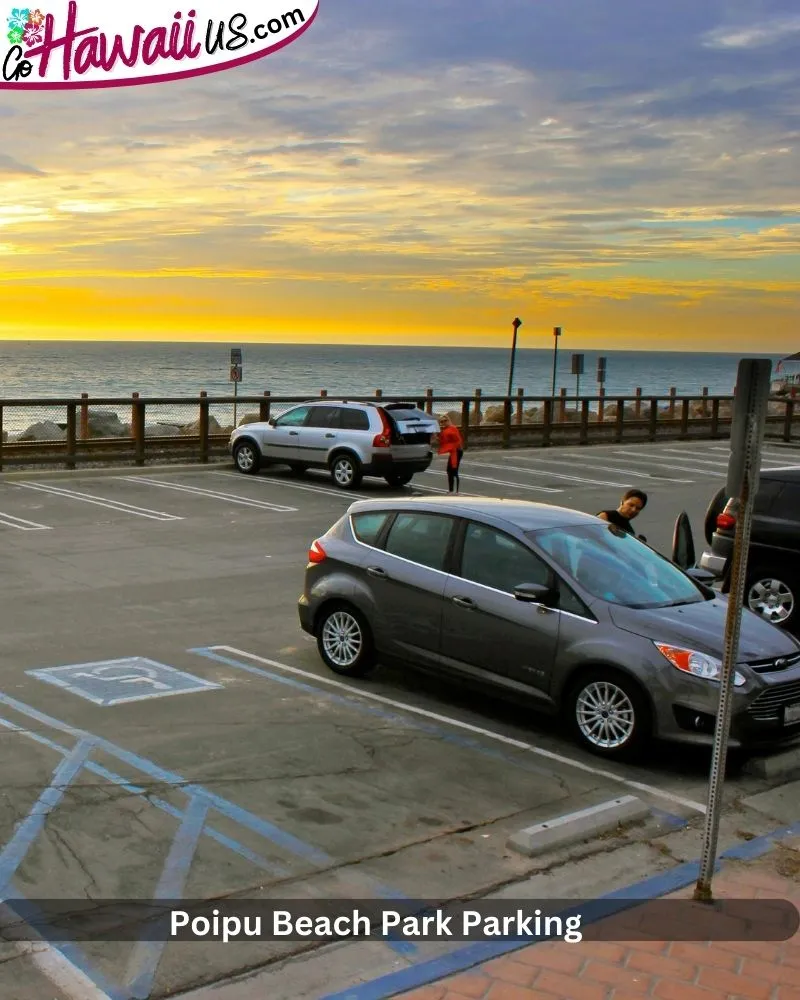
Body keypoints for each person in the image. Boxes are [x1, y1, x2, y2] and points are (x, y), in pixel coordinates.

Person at [434, 414, 464, 493]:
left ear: (448, 420)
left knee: (453, 470)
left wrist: (450, 446)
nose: (444, 423)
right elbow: (443, 441)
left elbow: (458, 441)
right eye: (442, 422)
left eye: (445, 421)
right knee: (450, 470)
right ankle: (451, 490)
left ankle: (455, 491)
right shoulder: (445, 430)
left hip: (457, 451)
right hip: (454, 451)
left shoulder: (452, 428)